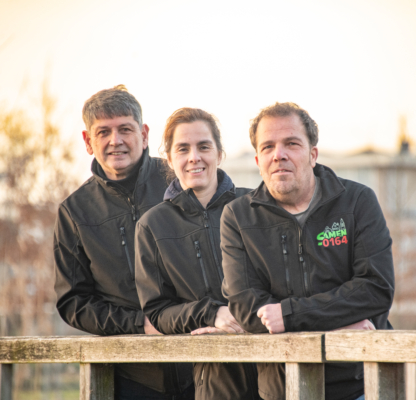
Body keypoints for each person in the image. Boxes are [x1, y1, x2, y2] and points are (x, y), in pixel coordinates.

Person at [220, 102, 394, 400]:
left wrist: (289, 315)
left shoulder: (357, 202)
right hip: (283, 388)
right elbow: (248, 309)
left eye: (291, 143)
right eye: (268, 147)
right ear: (258, 160)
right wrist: (330, 334)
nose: (279, 154)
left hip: (360, 384)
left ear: (313, 154)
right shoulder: (237, 217)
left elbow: (375, 289)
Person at [53, 85, 194, 400]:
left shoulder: (182, 181)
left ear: (144, 134)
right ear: (88, 141)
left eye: (125, 129)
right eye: (103, 132)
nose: (115, 140)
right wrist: (140, 323)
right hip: (130, 376)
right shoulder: (74, 211)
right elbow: (73, 301)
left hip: (203, 367)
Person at [134, 108, 260, 400]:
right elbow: (157, 311)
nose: (194, 157)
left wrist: (247, 315)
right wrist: (213, 314)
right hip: (216, 378)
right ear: (169, 158)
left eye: (204, 146)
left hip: (277, 366)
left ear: (219, 153)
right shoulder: (152, 225)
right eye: (183, 149)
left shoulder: (254, 205)